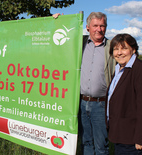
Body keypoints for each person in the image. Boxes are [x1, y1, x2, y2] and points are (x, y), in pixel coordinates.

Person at [53, 12, 115, 155]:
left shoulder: (112, 47)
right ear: (87, 27)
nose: (99, 29)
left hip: (101, 104)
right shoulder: (78, 43)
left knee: (101, 146)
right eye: (95, 26)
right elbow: (58, 41)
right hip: (80, 103)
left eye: (102, 26)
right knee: (85, 142)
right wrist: (60, 21)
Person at [106, 33, 142, 155]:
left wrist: (139, 138)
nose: (119, 53)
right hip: (120, 134)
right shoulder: (119, 68)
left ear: (133, 49)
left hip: (131, 139)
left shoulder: (138, 69)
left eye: (124, 48)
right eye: (116, 49)